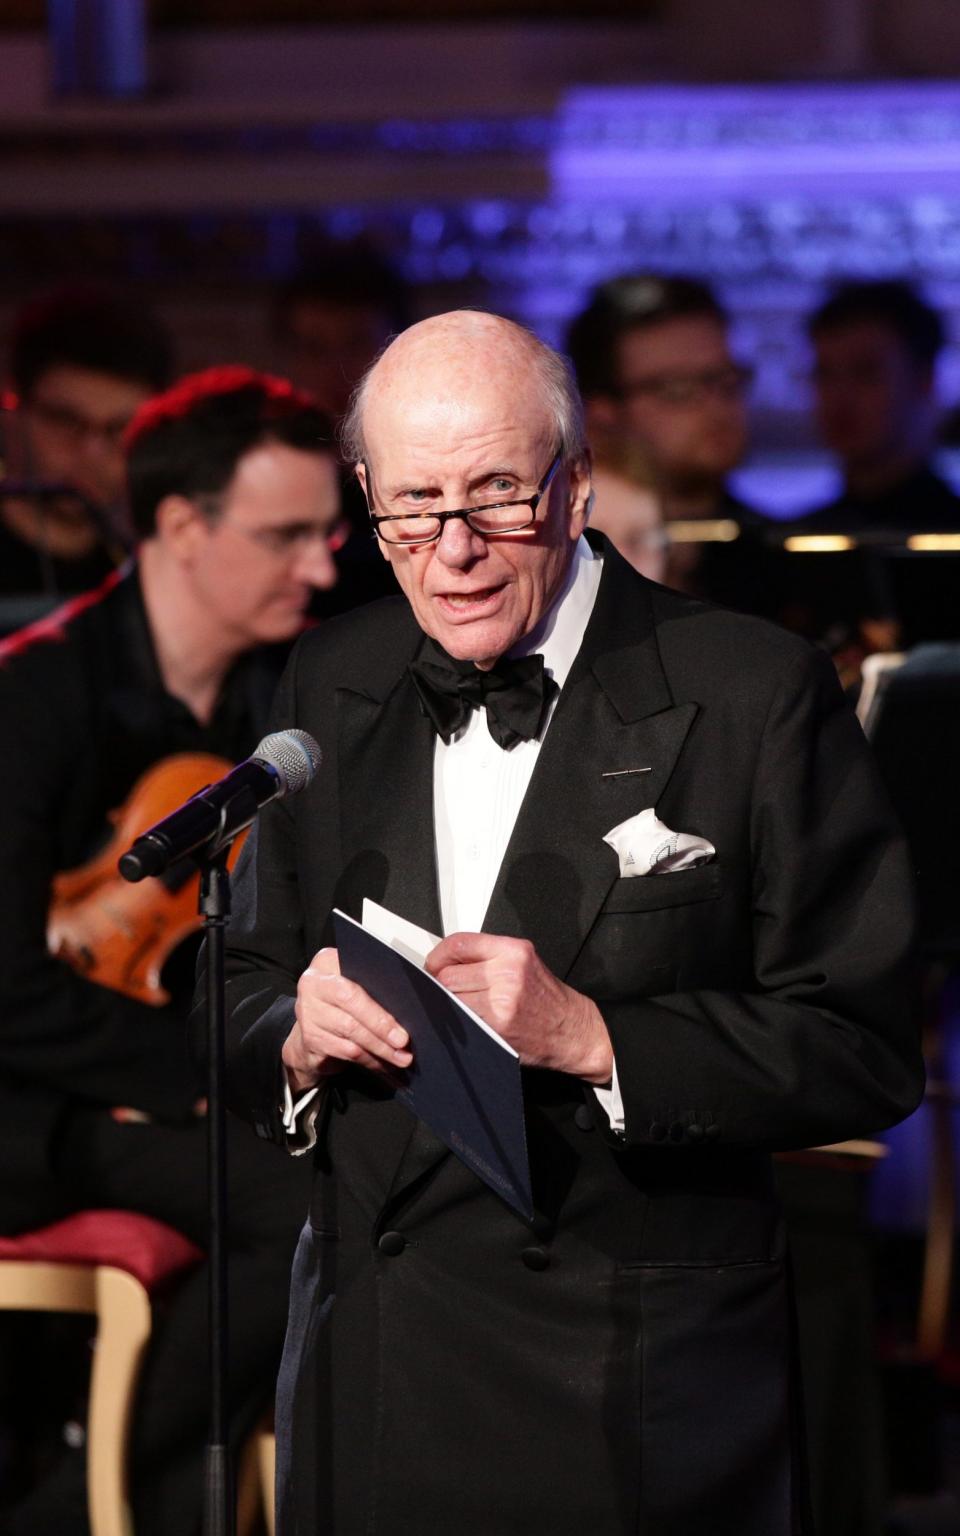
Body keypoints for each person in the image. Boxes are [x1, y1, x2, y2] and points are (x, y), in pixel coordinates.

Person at [220, 311, 922, 1536]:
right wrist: (288, 1028)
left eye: (496, 495)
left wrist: (602, 1041)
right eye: (413, 507)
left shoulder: (750, 690)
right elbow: (233, 979)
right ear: (369, 504)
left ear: (578, 482)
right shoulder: (331, 676)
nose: (454, 550)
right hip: (379, 1361)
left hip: (632, 1379)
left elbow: (864, 1042)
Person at [0, 366, 345, 1536]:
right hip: (35, 1106)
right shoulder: (35, 696)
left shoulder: (282, 702)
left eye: (328, 532)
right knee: (307, 1201)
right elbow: (2, 985)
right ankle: (66, 1515)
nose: (322, 565)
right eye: (286, 534)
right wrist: (196, 1083)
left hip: (181, 1087)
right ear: (182, 527)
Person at [566, 272, 778, 614]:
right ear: (601, 412)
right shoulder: (566, 565)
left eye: (725, 380)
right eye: (677, 390)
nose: (716, 406)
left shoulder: (782, 558)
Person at [1, 285, 173, 603]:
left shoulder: (146, 582)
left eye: (119, 428)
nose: (91, 451)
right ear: (13, 410)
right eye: (65, 420)